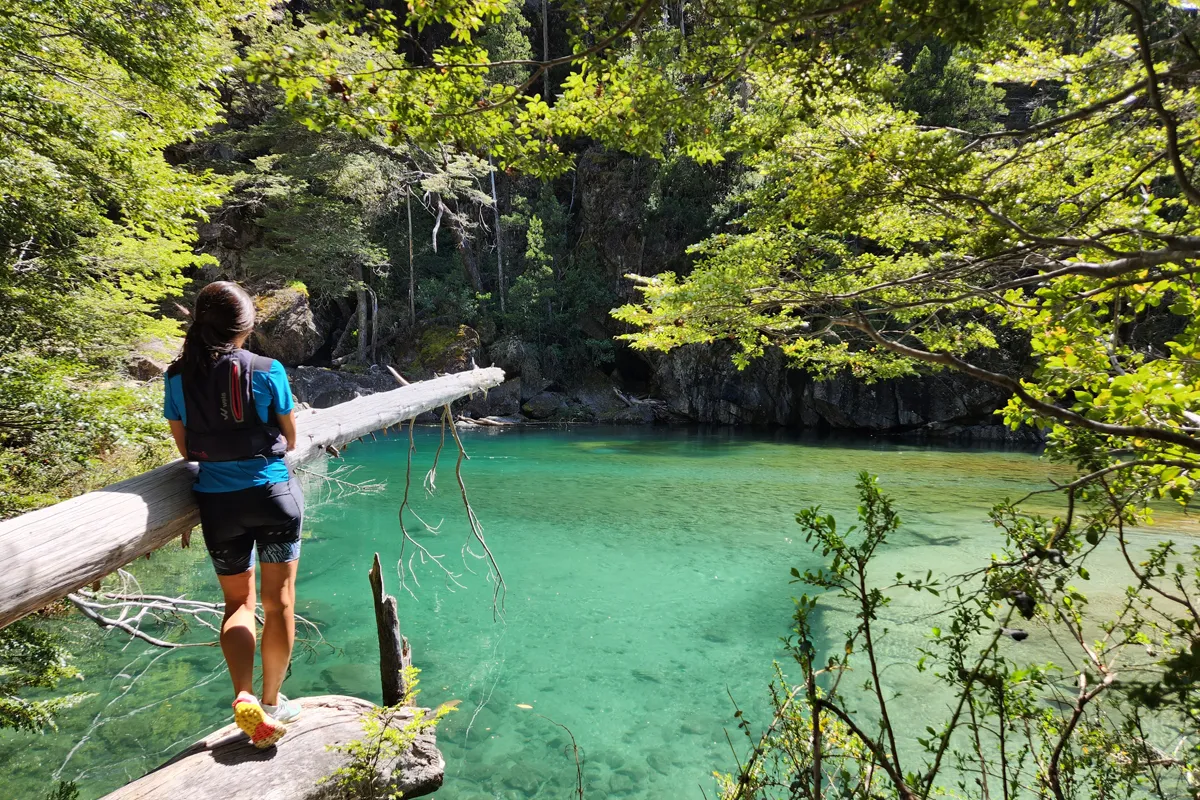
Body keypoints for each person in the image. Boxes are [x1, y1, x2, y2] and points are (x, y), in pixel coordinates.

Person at [164, 281, 304, 748]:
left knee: (237, 605)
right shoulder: (267, 369)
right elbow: (291, 437)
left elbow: (184, 447)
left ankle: (242, 694)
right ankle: (271, 702)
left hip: (218, 505)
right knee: (278, 601)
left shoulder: (177, 376)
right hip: (272, 498)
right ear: (244, 328)